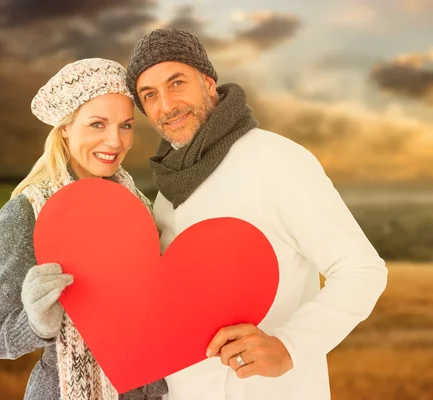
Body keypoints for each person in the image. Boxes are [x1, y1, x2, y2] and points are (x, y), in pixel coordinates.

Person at [125, 28, 388, 400]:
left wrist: (290, 345)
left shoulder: (276, 162)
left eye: (177, 83)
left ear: (208, 82)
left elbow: (361, 269)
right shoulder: (168, 190)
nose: (166, 106)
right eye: (149, 95)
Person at [0, 58, 168, 400]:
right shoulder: (28, 212)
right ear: (65, 127)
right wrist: (36, 322)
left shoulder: (138, 204)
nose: (115, 142)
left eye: (125, 126)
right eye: (97, 124)